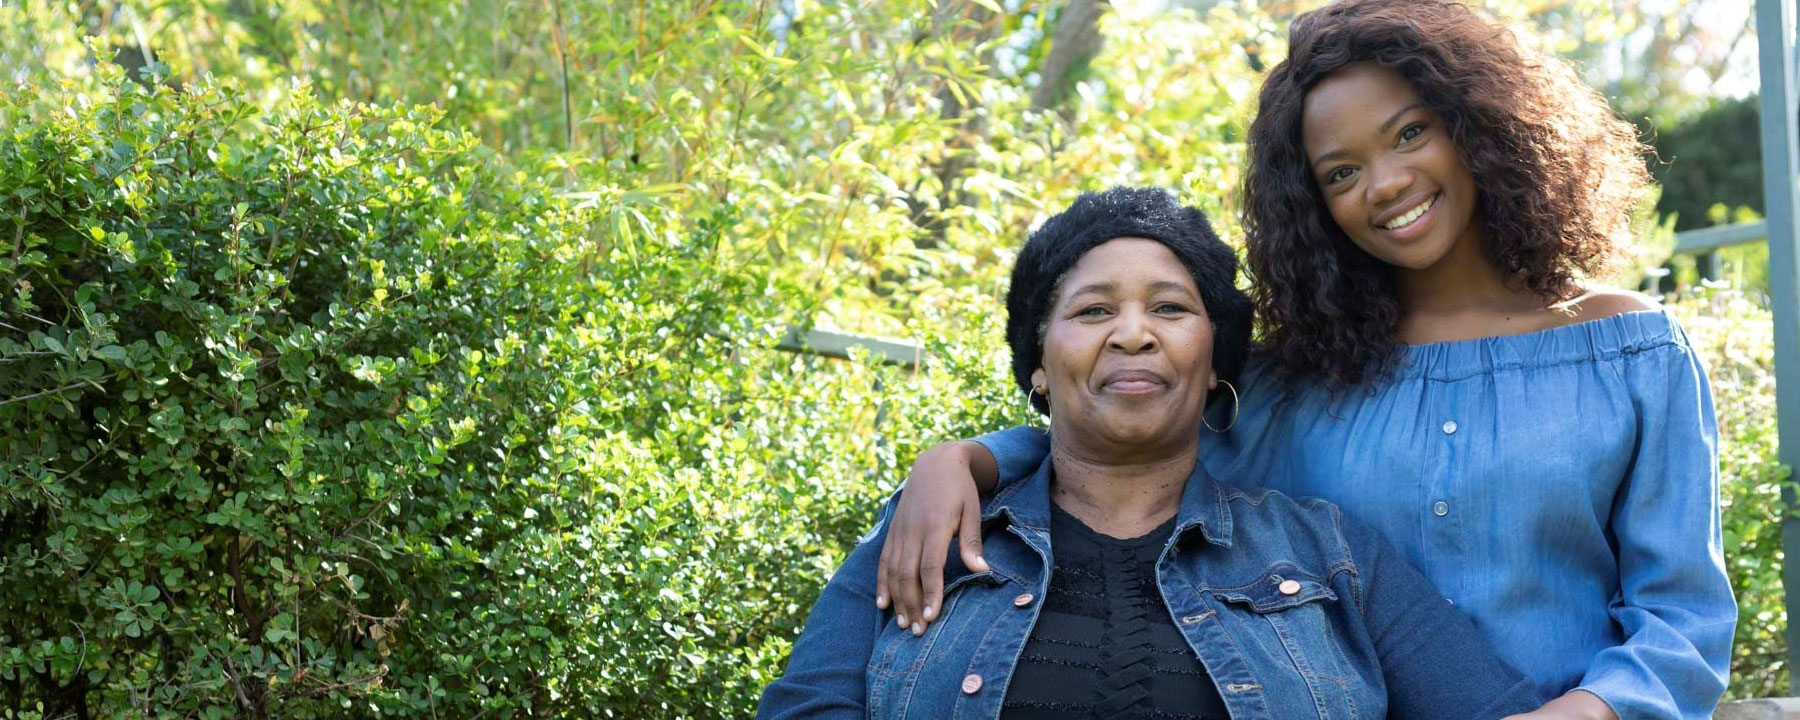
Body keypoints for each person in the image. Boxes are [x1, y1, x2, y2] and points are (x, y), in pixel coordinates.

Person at [870, 2, 1737, 719]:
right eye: (1340, 171)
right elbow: (1125, 443)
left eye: (1410, 133)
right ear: (1312, 203)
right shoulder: (1295, 380)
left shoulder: (1629, 352)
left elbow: (1684, 618)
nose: (1385, 183)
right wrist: (967, 461)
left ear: (1480, 127)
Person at [758, 187, 1540, 719]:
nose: (1133, 333)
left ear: (1215, 361)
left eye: (1169, 307)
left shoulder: (1331, 554)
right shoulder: (936, 529)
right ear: (1037, 361)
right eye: (1093, 309)